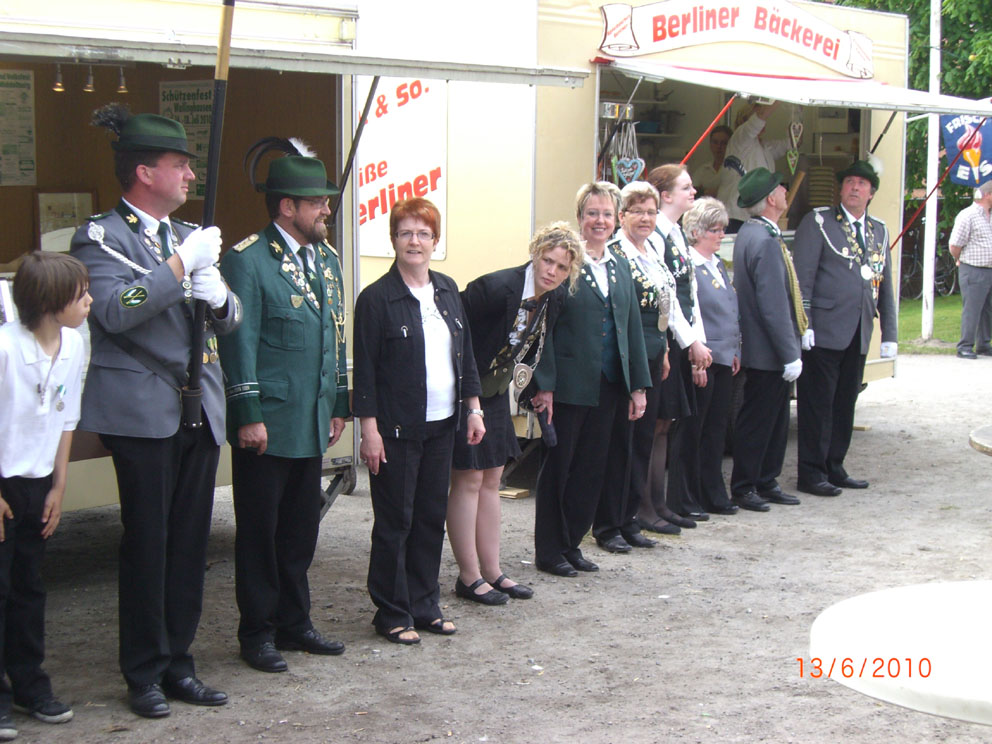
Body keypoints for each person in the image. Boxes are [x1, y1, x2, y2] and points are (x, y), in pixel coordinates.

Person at [71, 105, 242, 718]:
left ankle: (179, 663)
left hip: (200, 405)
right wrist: (180, 266)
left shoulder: (185, 235)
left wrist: (220, 299)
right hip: (142, 410)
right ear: (145, 172)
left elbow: (229, 320)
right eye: (179, 165)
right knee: (148, 543)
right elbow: (116, 309)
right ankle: (143, 670)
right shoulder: (100, 237)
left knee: (190, 544)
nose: (191, 176)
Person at [217, 139, 349, 673]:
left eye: (325, 200)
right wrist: (247, 414)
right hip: (268, 422)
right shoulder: (248, 260)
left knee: (300, 532)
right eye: (316, 201)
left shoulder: (327, 259)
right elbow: (238, 343)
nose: (326, 209)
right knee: (259, 535)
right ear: (287, 207)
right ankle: (257, 632)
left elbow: (335, 336)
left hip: (310, 418)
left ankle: (295, 622)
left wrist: (339, 401)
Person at [353, 197, 485, 644]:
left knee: (430, 517)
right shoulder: (376, 299)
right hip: (395, 430)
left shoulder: (447, 289)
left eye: (424, 233)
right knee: (396, 521)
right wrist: (369, 432)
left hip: (443, 424)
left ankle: (425, 604)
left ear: (435, 241)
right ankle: (391, 611)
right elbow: (366, 371)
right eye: (406, 233)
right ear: (393, 239)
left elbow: (465, 355)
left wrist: (474, 408)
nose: (415, 241)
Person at [447, 223, 582, 604]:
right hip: (464, 385)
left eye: (562, 267)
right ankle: (469, 576)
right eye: (547, 260)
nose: (552, 271)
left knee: (492, 478)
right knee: (468, 480)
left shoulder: (555, 297)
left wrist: (537, 386)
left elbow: (536, 343)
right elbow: (453, 330)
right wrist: (468, 396)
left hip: (495, 388)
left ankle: (493, 571)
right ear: (534, 253)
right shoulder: (496, 288)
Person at [530, 182, 650, 577]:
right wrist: (545, 383)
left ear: (617, 220)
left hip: (609, 385)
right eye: (592, 213)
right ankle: (550, 550)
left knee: (592, 469)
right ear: (580, 217)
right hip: (568, 385)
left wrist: (637, 386)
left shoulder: (620, 266)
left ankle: (572, 544)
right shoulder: (564, 263)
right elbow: (543, 327)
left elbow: (631, 327)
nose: (600, 221)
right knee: (559, 469)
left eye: (607, 214)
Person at [0, 253, 90, 739]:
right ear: (51, 301)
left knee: (30, 587)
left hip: (39, 482)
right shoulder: (6, 348)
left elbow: (66, 417)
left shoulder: (73, 344)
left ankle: (30, 683)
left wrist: (58, 486)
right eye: (81, 295)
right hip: (3, 483)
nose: (89, 301)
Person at [793, 159, 896, 495]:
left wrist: (890, 334)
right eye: (849, 182)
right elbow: (803, 278)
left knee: (845, 402)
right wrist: (805, 323)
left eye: (862, 184)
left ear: (871, 193)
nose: (854, 188)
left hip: (858, 330)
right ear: (840, 189)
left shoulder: (878, 230)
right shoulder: (819, 222)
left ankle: (835, 466)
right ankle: (812, 473)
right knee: (817, 405)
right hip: (824, 330)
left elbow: (884, 283)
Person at [594, 180, 676, 550]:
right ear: (622, 216)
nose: (645, 218)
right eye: (637, 211)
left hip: (654, 355)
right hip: (628, 360)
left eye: (651, 211)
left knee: (642, 441)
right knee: (620, 446)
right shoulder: (617, 255)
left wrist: (667, 349)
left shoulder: (653, 249)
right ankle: (608, 525)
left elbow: (663, 305)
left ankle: (630, 518)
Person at [730, 167, 805, 512]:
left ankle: (765, 479)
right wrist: (790, 352)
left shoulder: (754, 232)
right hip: (767, 350)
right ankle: (747, 484)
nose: (786, 192)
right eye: (780, 189)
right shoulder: (763, 239)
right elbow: (773, 304)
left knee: (774, 419)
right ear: (771, 199)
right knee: (760, 420)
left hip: (764, 347)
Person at [645, 164, 712, 524]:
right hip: (666, 338)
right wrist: (688, 341)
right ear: (665, 195)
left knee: (665, 423)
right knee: (655, 423)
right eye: (686, 187)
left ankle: (659, 505)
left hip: (682, 339)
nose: (693, 193)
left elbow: (690, 292)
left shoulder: (677, 234)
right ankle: (646, 507)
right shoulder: (656, 234)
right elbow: (665, 297)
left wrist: (698, 339)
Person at [683, 197, 741, 515]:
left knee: (717, 429)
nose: (721, 235)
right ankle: (692, 495)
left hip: (724, 356)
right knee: (697, 430)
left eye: (722, 229)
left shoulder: (717, 264)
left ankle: (714, 492)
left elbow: (730, 309)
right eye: (714, 230)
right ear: (696, 231)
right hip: (703, 359)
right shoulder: (690, 266)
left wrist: (735, 349)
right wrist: (696, 361)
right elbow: (693, 315)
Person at [718, 102, 790, 232]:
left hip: (757, 216)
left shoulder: (764, 147)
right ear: (744, 120)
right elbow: (761, 115)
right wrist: (780, 99)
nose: (761, 121)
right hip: (736, 216)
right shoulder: (740, 138)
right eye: (754, 116)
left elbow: (793, 143)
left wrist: (797, 113)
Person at [949, 180, 992, 360]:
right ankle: (965, 346)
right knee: (972, 309)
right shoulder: (967, 215)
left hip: (989, 269)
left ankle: (983, 344)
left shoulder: (990, 215)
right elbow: (955, 244)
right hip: (973, 269)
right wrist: (959, 259)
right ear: (987, 195)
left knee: (987, 310)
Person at [692, 125, 732, 198]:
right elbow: (692, 192)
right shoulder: (702, 170)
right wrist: (704, 192)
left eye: (723, 143)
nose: (719, 146)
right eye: (715, 142)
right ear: (710, 144)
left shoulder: (734, 170)